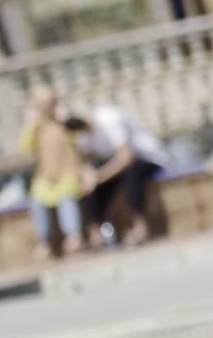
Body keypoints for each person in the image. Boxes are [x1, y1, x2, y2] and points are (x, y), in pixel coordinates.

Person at [68, 105, 170, 247]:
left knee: (131, 174)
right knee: (89, 187)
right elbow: (87, 162)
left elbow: (127, 157)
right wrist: (89, 177)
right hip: (119, 166)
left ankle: (140, 227)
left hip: (148, 159)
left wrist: (100, 176)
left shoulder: (109, 120)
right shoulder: (82, 135)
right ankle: (96, 232)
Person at [16, 86, 85, 259]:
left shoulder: (64, 123)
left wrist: (65, 119)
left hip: (68, 174)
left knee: (67, 199)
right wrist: (32, 124)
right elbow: (25, 147)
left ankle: (73, 237)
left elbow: (81, 139)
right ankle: (43, 242)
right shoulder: (38, 127)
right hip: (46, 177)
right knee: (37, 200)